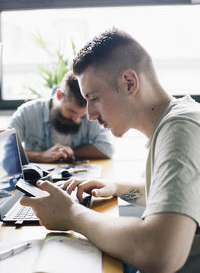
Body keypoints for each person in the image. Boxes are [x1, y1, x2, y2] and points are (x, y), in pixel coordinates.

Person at [20, 28, 200, 272]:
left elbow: (159, 252)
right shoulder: (177, 120)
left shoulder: (182, 127)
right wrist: (116, 187)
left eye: (93, 97)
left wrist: (71, 213)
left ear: (129, 82)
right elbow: (176, 195)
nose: (91, 115)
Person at [8, 72, 114, 163]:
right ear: (59, 95)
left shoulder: (90, 114)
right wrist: (41, 156)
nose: (76, 119)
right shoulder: (27, 112)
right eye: (71, 111)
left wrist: (66, 153)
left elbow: (107, 148)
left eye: (82, 115)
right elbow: (4, 150)